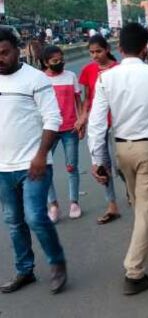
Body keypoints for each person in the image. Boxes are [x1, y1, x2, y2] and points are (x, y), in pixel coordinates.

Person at [88, 22, 148, 295]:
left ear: (119, 47)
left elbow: (97, 123)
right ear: (146, 47)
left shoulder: (106, 78)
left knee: (139, 203)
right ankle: (134, 271)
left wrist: (97, 159)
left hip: (122, 149)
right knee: (144, 205)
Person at [0, 29, 67, 293]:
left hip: (33, 164)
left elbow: (52, 118)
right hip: (3, 168)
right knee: (14, 221)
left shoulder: (35, 79)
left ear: (18, 50)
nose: (0, 58)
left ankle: (57, 262)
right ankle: (24, 270)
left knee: (36, 217)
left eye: (4, 52)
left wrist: (41, 155)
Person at [78, 35, 122, 224]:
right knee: (103, 166)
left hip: (118, 123)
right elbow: (88, 98)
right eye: (92, 52)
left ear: (107, 50)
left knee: (122, 164)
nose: (95, 55)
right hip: (98, 125)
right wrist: (83, 117)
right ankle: (112, 205)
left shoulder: (120, 69)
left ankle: (131, 192)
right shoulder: (88, 70)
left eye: (98, 51)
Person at [42, 46, 84, 223]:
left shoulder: (70, 76)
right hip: (48, 130)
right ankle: (53, 205)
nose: (59, 63)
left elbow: (78, 102)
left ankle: (74, 202)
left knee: (71, 167)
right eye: (55, 61)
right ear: (46, 62)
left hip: (70, 128)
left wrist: (81, 121)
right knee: (44, 168)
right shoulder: (40, 79)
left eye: (61, 59)